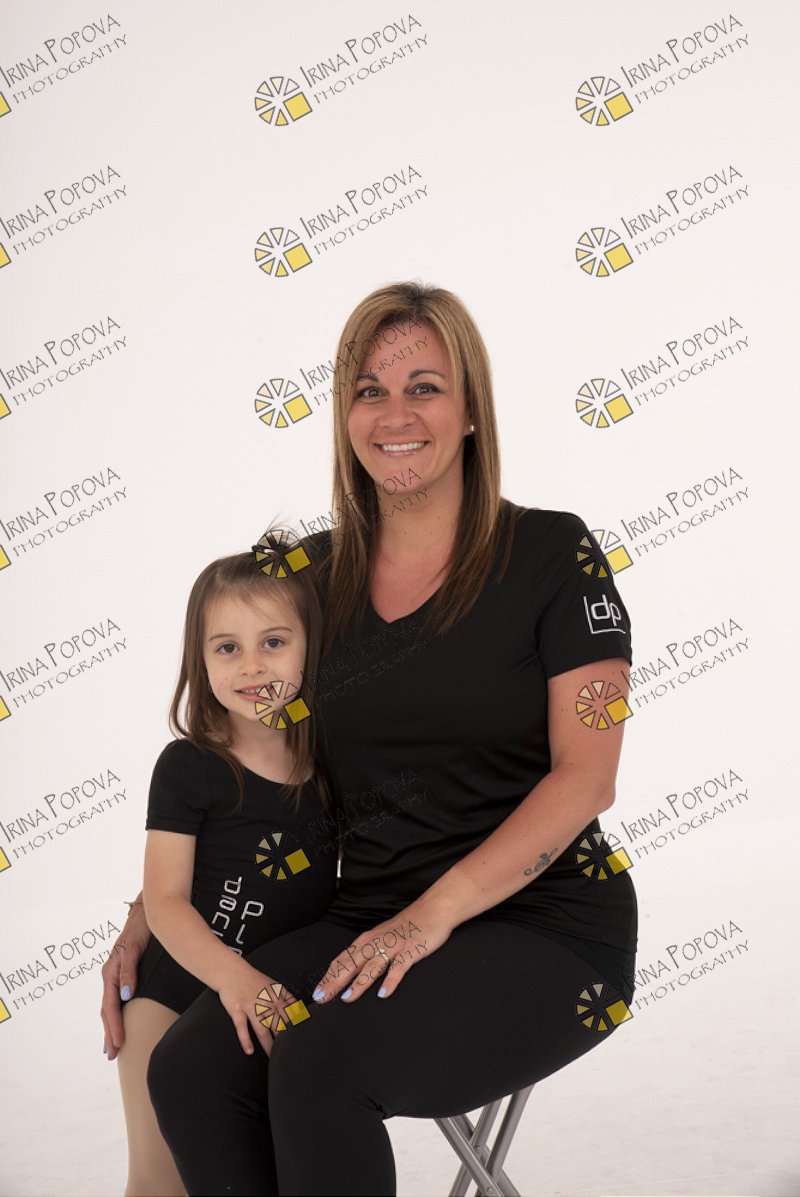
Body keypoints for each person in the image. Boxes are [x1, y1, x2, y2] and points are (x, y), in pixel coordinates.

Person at [104, 282, 637, 1197]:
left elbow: (587, 777)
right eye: (368, 391)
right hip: (367, 918)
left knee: (320, 1066)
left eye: (424, 387)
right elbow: (240, 749)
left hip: (543, 926)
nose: (395, 415)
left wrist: (433, 914)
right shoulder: (309, 576)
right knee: (191, 1069)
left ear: (471, 410)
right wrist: (150, 905)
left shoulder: (557, 556)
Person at [106, 544, 337, 1196]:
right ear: (199, 660)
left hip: (273, 995)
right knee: (161, 1181)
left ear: (310, 647)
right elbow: (166, 898)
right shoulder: (189, 767)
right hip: (172, 993)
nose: (252, 665)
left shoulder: (332, 763)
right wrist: (237, 981)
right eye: (227, 647)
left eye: (273, 642)